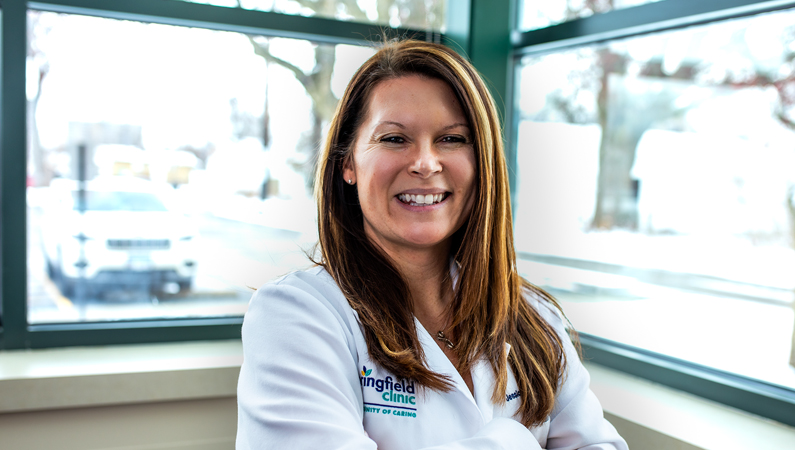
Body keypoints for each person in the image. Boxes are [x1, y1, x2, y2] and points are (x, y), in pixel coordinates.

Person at [236, 39, 628, 450]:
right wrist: (510, 442)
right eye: (393, 139)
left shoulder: (532, 317)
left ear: (483, 163)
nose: (425, 163)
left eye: (452, 139)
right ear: (347, 163)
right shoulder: (296, 315)